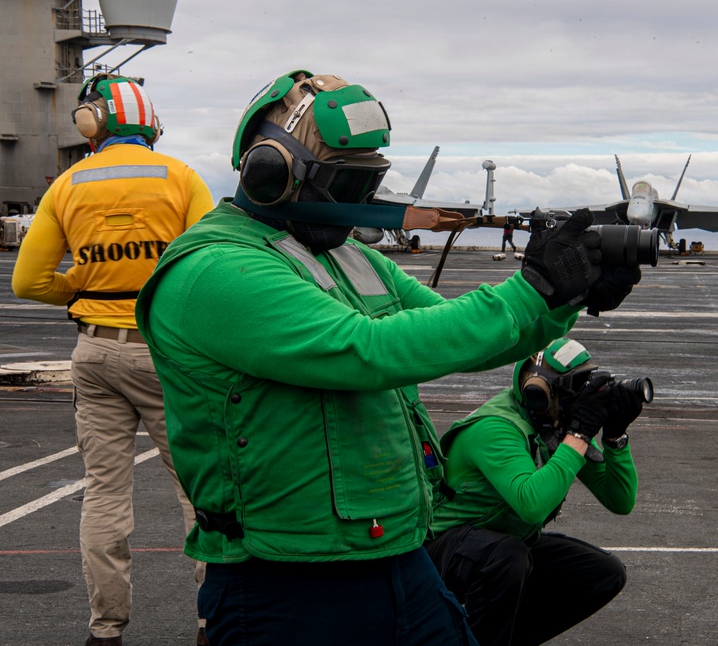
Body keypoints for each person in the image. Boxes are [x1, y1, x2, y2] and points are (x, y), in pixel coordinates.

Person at [132, 70, 643, 646]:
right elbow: (368, 350)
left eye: (365, 185)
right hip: (285, 576)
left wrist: (562, 302)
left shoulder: (348, 258)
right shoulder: (216, 271)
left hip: (399, 555)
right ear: (268, 171)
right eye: (343, 183)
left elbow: (464, 341)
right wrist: (531, 289)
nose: (356, 204)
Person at [11, 73, 214, 646]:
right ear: (149, 124)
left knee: (103, 492)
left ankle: (105, 630)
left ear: (91, 124)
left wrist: (80, 287)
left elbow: (28, 282)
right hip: (167, 351)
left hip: (95, 350)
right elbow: (210, 267)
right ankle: (210, 623)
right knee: (198, 491)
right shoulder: (180, 176)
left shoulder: (68, 185)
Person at [425, 337, 645, 646]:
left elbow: (620, 500)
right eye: (575, 386)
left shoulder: (552, 421)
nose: (580, 396)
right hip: (439, 551)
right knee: (508, 556)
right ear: (538, 391)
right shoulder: (496, 428)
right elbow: (533, 505)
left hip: (498, 542)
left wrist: (615, 436)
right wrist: (580, 434)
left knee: (603, 573)